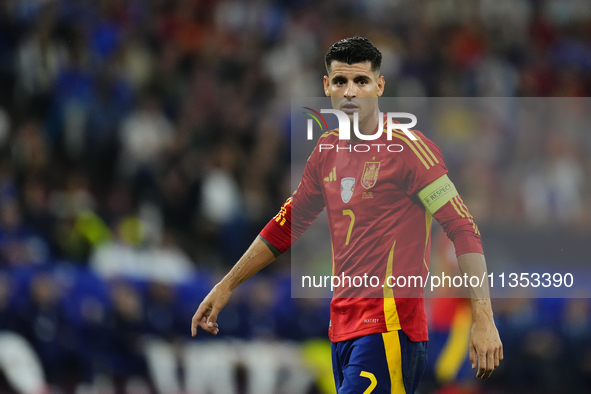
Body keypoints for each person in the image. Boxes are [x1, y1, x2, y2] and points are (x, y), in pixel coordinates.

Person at [191, 36, 503, 393]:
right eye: (341, 81)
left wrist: (483, 318)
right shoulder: (325, 151)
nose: (350, 91)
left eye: (361, 81)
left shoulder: (409, 150)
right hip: (341, 330)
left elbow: (463, 228)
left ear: (379, 86)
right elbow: (286, 225)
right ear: (327, 87)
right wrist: (226, 284)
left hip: (389, 328)